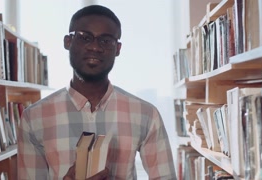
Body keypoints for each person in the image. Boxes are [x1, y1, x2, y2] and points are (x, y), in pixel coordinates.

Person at [17, 4, 177, 180]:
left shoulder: (146, 114)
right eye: (85, 37)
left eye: (106, 40)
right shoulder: (34, 117)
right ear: (68, 42)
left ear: (118, 49)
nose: (95, 47)